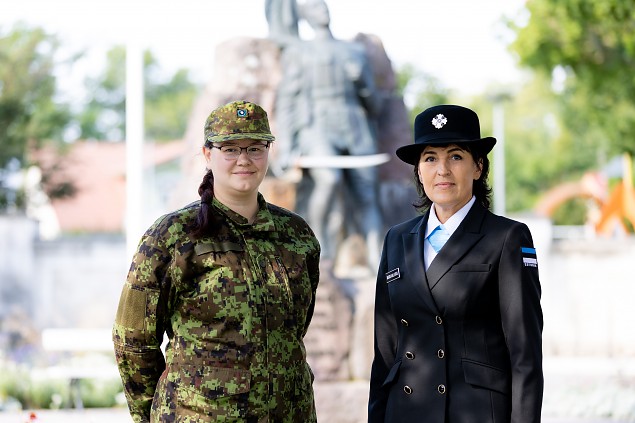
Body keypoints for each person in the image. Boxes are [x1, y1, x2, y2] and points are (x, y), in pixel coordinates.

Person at [112, 100, 321, 422]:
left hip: (289, 412)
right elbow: (133, 338)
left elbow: (296, 326)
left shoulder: (296, 234)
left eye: (254, 148)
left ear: (268, 151)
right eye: (230, 149)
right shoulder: (173, 235)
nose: (244, 160)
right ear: (208, 154)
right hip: (202, 413)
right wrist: (149, 413)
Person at [368, 105, 543, 423]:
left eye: (456, 156)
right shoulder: (397, 239)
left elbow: (525, 356)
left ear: (478, 167)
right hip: (405, 412)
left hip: (475, 413)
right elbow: (385, 350)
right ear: (419, 170)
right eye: (430, 158)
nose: (442, 170)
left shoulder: (507, 238)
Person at [267, 0, 384, 270]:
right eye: (312, 5)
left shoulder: (354, 51)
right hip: (317, 127)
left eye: (323, 4)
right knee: (328, 180)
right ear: (303, 14)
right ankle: (318, 249)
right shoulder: (299, 52)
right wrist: (286, 146)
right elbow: (287, 100)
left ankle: (378, 258)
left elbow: (375, 105)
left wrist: (363, 83)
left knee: (368, 194)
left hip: (355, 125)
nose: (320, 9)